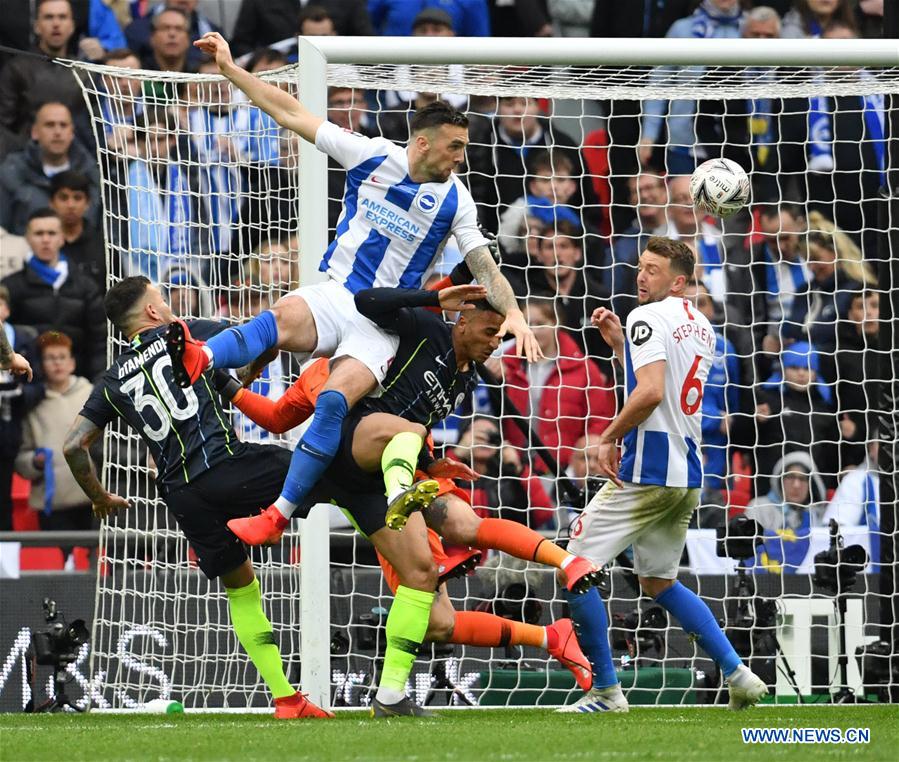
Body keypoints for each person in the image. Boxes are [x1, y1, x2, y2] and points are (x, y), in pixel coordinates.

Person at [168, 32, 538, 547]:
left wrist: (514, 313)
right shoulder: (372, 155)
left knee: (334, 402)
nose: (460, 157)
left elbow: (482, 263)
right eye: (455, 146)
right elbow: (292, 114)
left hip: (382, 324)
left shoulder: (458, 202)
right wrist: (231, 69)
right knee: (282, 315)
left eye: (464, 148)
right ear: (424, 143)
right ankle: (201, 357)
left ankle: (277, 516)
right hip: (338, 292)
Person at [223, 281, 601, 716]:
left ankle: (551, 617)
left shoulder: (461, 379)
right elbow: (278, 414)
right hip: (351, 460)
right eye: (491, 332)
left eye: (501, 337)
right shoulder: (362, 355)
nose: (496, 344)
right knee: (411, 438)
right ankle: (269, 514)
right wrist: (226, 384)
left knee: (439, 603)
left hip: (383, 479)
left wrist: (435, 465)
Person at [61, 276, 331, 719]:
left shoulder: (111, 380)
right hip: (226, 465)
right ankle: (409, 530)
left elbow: (73, 445)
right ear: (151, 312)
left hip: (183, 495)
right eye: (161, 300)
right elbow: (265, 332)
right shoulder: (186, 333)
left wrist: (101, 498)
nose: (167, 306)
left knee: (240, 585)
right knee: (330, 471)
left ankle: (286, 699)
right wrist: (253, 365)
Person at [559, 235, 767, 713]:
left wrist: (608, 435)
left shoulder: (647, 316)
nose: (640, 275)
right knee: (659, 582)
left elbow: (650, 393)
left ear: (678, 281)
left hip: (647, 468)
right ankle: (738, 673)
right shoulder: (702, 326)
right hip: (687, 474)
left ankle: (606, 691)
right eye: (640, 266)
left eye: (652, 269)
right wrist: (620, 348)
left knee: (575, 565)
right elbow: (664, 383)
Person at [494, 298, 615, 472]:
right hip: (514, 468)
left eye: (541, 324)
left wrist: (579, 462)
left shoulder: (584, 369)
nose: (533, 331)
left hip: (564, 470)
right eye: (527, 323)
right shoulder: (504, 366)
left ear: (556, 324)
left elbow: (599, 420)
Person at [1, 208, 106, 380]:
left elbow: (98, 342)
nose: (45, 239)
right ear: (27, 238)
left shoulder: (86, 286)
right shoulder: (11, 286)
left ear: (62, 237)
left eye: (51, 233)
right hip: (29, 383)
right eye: (38, 233)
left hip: (78, 383)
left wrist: (98, 384)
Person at [15, 332, 94, 539]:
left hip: (93, 496)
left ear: (72, 363)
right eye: (50, 358)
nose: (57, 363)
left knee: (97, 559)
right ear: (41, 364)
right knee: (59, 566)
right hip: (53, 501)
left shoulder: (90, 394)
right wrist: (35, 463)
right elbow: (21, 455)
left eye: (62, 357)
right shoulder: (34, 404)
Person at [0, 102, 100, 235]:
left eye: (63, 125)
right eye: (50, 125)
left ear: (72, 133)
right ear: (35, 132)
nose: (57, 132)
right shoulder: (11, 171)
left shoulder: (91, 172)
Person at [0, 0, 86, 138]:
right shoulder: (16, 69)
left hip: (75, 154)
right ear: (37, 26)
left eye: (62, 17)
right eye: (49, 17)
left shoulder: (84, 73)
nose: (56, 24)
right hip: (25, 153)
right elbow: (4, 124)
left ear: (72, 26)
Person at [49, 170, 105, 289]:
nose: (71, 205)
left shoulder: (103, 246)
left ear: (87, 203)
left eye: (77, 198)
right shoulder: (43, 243)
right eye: (63, 198)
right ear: (51, 202)